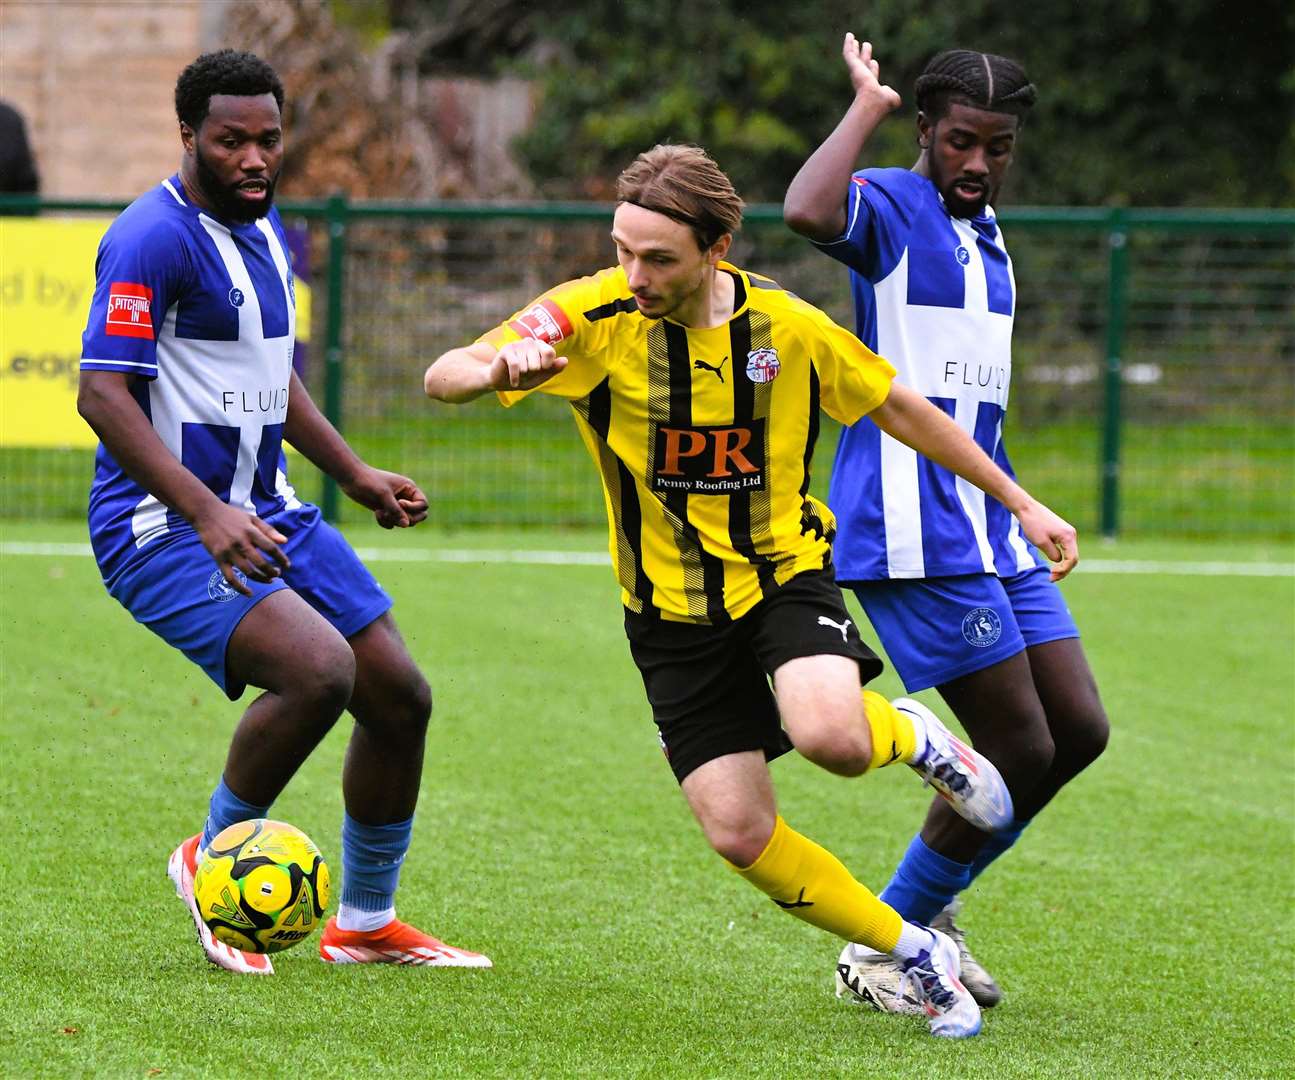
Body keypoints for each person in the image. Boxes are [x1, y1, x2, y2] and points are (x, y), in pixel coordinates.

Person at [424, 144, 1081, 1038]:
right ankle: (911, 955)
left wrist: (1020, 501)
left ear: (716, 248)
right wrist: (498, 369)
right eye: (623, 250)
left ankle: (916, 737)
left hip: (780, 575)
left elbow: (902, 409)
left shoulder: (787, 326)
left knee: (834, 741)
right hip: (663, 612)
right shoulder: (589, 314)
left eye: (657, 257)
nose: (635, 273)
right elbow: (448, 372)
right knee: (738, 835)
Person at [77, 49, 490, 975]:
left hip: (270, 509)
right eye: (231, 141)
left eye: (268, 138)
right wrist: (207, 514)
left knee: (399, 697)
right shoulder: (151, 237)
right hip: (162, 524)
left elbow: (273, 377)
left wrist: (352, 472)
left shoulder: (267, 230)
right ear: (188, 136)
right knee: (318, 671)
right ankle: (211, 854)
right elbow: (103, 395)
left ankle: (366, 923)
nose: (255, 157)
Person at [784, 35, 1110, 1012]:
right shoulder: (888, 203)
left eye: (996, 146)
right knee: (1017, 746)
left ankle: (926, 916)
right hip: (906, 524)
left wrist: (1019, 502)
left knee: (1076, 732)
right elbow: (804, 210)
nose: (976, 162)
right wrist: (865, 106)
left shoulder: (991, 236)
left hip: (986, 524)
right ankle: (886, 941)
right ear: (926, 130)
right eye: (960, 140)